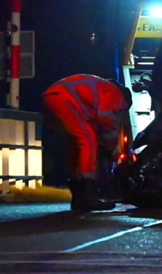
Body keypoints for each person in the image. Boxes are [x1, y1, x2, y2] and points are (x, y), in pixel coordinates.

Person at [42, 74, 132, 211]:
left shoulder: (101, 88)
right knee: (87, 139)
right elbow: (106, 118)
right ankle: (88, 196)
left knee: (76, 144)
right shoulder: (117, 94)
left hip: (52, 98)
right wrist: (111, 146)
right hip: (63, 99)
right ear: (126, 103)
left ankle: (79, 198)